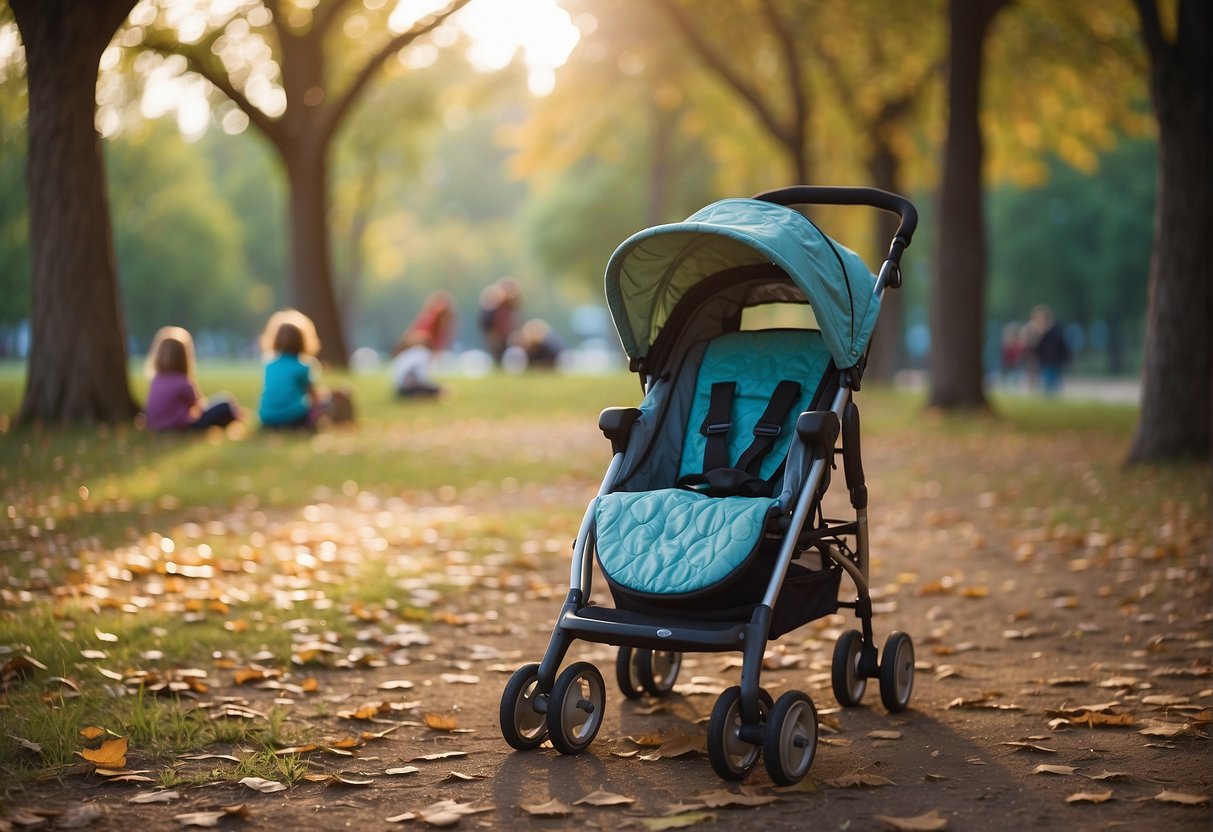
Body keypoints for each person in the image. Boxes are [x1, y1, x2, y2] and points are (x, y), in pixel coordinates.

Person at [257, 309, 353, 429]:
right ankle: (343, 422)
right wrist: (329, 395)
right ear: (302, 340)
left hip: (267, 417)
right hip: (293, 417)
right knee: (339, 397)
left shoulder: (269, 364)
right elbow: (314, 397)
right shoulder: (303, 366)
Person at [143, 326, 240, 432]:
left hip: (156, 425)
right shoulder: (182, 382)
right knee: (224, 404)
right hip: (180, 426)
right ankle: (240, 418)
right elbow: (199, 406)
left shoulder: (156, 380)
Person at [391, 291, 455, 397]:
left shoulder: (417, 352)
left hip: (401, 384)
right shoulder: (421, 353)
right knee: (437, 390)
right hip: (405, 386)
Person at [1029, 305, 1071, 396]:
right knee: (1049, 387)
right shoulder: (1045, 334)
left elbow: (1063, 348)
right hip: (1047, 363)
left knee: (1049, 388)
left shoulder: (1054, 333)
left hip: (1052, 363)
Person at [477, 277, 520, 366]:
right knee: (498, 358)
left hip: (506, 338)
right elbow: (485, 324)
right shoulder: (492, 307)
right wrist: (493, 335)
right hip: (495, 338)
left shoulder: (509, 307)